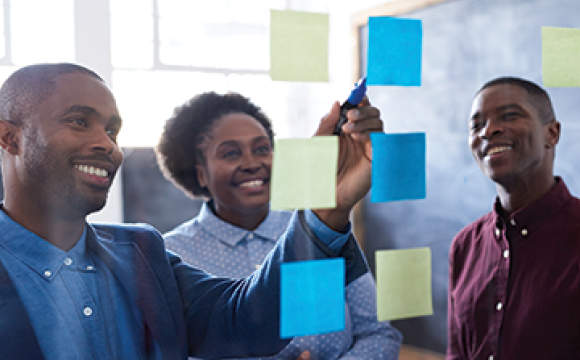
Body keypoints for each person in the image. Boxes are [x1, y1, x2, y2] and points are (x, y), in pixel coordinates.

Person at [0, 63, 381, 359]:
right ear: (9, 137)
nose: (107, 145)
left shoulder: (141, 253)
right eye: (79, 122)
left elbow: (248, 320)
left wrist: (325, 208)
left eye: (113, 132)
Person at [155, 92, 402, 360]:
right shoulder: (170, 255)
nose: (252, 163)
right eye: (231, 153)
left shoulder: (322, 230)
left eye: (262, 149)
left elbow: (378, 334)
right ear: (201, 173)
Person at [447, 77, 580, 360]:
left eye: (509, 116)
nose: (488, 131)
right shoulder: (464, 246)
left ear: (552, 134)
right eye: (476, 125)